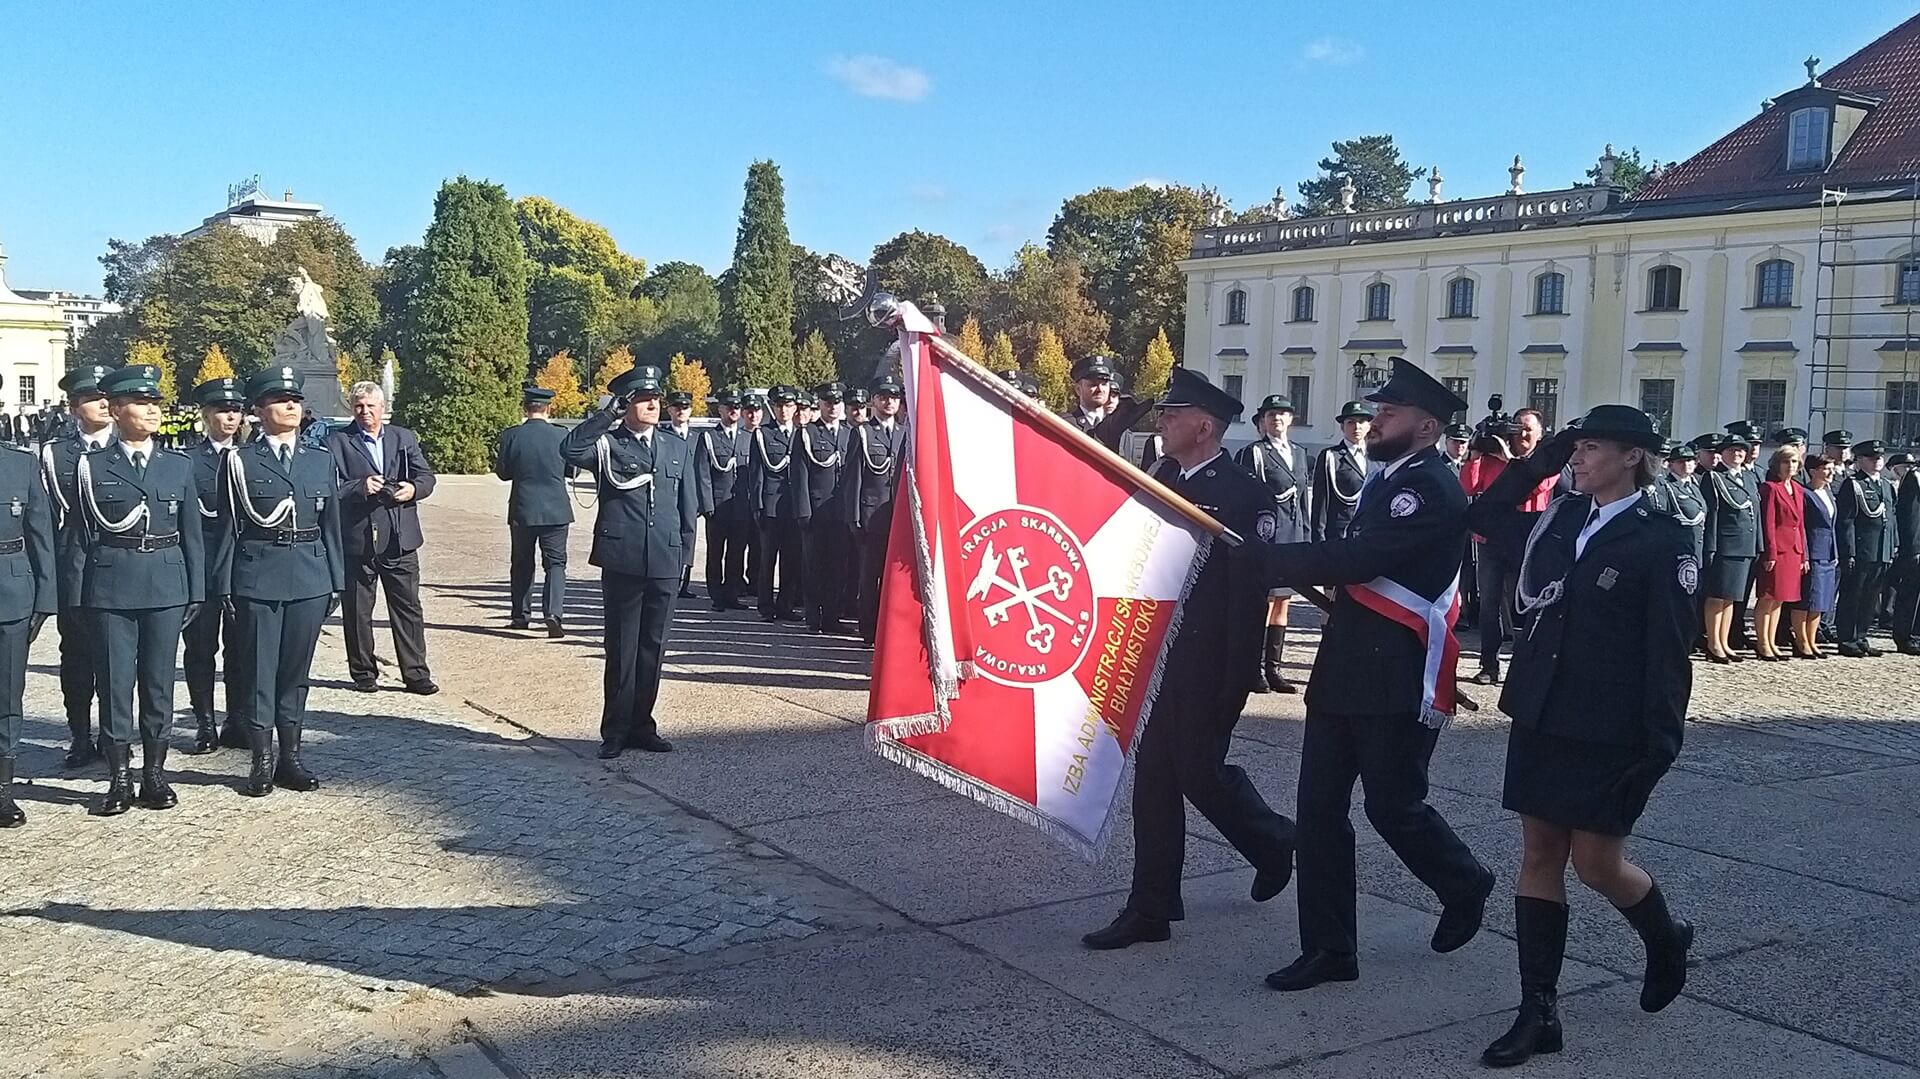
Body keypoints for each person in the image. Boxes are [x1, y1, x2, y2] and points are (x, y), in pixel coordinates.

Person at [1465, 405, 1695, 1067]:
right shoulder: (1563, 517)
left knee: (1596, 863)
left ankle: (1665, 937)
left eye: (1592, 447)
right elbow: (1483, 517)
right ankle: (1539, 1009)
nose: (1580, 457)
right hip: (1544, 710)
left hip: (1608, 726)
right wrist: (1540, 458)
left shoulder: (1662, 539)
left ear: (1632, 457)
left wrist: (1660, 744)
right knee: (1539, 850)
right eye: (1578, 446)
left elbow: (1668, 653)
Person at [1257, 357, 1494, 992]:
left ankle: (1464, 881)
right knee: (1318, 811)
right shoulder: (1392, 477)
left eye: (1389, 413)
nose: (1376, 419)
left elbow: (1363, 558)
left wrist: (1266, 561)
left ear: (1425, 426)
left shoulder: (1431, 485)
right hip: (1346, 667)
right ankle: (1331, 949)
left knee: (1393, 806)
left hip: (1394, 674)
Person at [1081, 368, 1296, 951]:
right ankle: (1151, 906)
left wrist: (1237, 675)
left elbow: (1246, 596)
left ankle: (1273, 839)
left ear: (1204, 426)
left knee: (1199, 773)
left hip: (1208, 662)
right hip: (1156, 659)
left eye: (1173, 414)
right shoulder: (1160, 476)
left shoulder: (1245, 496)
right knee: (1154, 779)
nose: (1163, 421)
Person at [77, 364, 206, 815]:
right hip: (112, 585)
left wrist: (196, 590)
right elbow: (79, 536)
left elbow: (193, 534)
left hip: (166, 583)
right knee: (115, 684)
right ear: (115, 410)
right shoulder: (91, 466)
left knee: (158, 684)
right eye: (140, 403)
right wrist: (76, 597)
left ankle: (155, 772)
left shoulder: (178, 464)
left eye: (155, 404)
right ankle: (119, 777)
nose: (151, 411)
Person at [560, 366, 700, 758]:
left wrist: (684, 556)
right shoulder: (609, 443)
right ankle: (616, 729)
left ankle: (642, 725)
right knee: (622, 648)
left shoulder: (676, 446)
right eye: (642, 398)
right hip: (623, 560)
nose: (654, 404)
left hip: (665, 560)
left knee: (653, 648)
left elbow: (686, 506)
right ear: (627, 404)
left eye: (655, 398)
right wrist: (607, 415)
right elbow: (569, 450)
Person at [218, 367, 345, 797]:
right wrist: (223, 585)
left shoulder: (320, 459)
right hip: (257, 576)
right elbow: (228, 530)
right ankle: (260, 759)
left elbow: (331, 525)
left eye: (294, 399)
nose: (290, 406)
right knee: (258, 671)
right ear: (258, 410)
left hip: (309, 574)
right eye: (279, 400)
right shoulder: (240, 461)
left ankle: (290, 757)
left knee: (296, 672)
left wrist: (337, 581)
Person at [327, 381, 437, 694]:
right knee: (358, 611)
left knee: (408, 609)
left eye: (371, 406)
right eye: (359, 407)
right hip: (359, 539)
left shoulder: (403, 438)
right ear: (352, 408)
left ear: (382, 407)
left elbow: (426, 477)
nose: (365, 412)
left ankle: (416, 674)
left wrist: (413, 489)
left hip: (399, 539)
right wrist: (359, 487)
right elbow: (328, 487)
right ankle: (363, 673)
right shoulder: (337, 442)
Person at [41, 365, 116, 769]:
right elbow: (48, 518)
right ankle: (78, 734)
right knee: (75, 658)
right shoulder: (55, 454)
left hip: (118, 567)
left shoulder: (129, 444)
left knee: (116, 658)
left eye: (106, 395)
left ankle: (113, 734)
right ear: (74, 407)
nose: (103, 403)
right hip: (74, 566)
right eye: (92, 397)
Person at [1463, 408, 1554, 685]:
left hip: (1528, 536)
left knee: (1526, 602)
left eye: (1528, 429)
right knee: (1488, 604)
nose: (1522, 434)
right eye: (1518, 428)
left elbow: (1538, 487)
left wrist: (1512, 461)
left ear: (1539, 433)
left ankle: (1526, 663)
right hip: (1493, 538)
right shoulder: (1493, 456)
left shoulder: (1545, 457)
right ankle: (1489, 665)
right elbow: (1468, 486)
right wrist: (1475, 455)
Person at [183, 377, 249, 754]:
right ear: (206, 414)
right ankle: (205, 722)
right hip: (203, 565)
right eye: (223, 410)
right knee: (200, 647)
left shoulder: (251, 457)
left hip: (240, 566)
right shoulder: (189, 461)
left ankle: (236, 718)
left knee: (239, 647)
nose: (230, 417)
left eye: (236, 410)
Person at [1234, 394, 1311, 694]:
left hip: (1290, 537)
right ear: (1263, 421)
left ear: (1291, 419)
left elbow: (1302, 499)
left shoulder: (1300, 453)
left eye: (1282, 414)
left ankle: (1274, 668)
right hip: (1266, 537)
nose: (1276, 419)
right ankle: (1252, 668)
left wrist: (1304, 539)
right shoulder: (1254, 452)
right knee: (1263, 604)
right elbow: (1244, 499)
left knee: (1283, 603)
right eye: (1270, 415)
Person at [0, 429, 55, 826]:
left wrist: (45, 598)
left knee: (6, 694)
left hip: (11, 589)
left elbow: (41, 534)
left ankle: (3, 791)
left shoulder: (22, 463)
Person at [494, 385, 573, 637]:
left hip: (523, 508)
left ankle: (520, 616)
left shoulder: (511, 436)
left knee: (521, 563)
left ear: (525, 408)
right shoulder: (562, 435)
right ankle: (553, 613)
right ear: (549, 408)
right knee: (556, 563)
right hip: (556, 509)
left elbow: (503, 473)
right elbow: (572, 470)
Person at [848, 377, 907, 647]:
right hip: (871, 518)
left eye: (894, 397)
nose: (889, 401)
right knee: (869, 577)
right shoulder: (862, 433)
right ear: (873, 401)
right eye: (883, 396)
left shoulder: (905, 432)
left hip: (898, 517)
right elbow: (853, 479)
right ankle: (869, 630)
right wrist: (854, 517)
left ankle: (891, 628)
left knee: (895, 579)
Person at [800, 382, 854, 634]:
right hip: (815, 510)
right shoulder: (808, 433)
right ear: (819, 405)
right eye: (827, 402)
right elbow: (799, 476)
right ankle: (813, 617)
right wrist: (803, 511)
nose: (833, 407)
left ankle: (832, 617)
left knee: (839, 567)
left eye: (837, 402)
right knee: (814, 566)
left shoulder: (850, 433)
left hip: (841, 513)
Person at [752, 386, 809, 623]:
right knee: (768, 559)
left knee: (791, 558)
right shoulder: (762, 434)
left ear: (795, 408)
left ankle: (785, 604)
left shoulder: (803, 434)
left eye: (788, 406)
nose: (784, 410)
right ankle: (765, 605)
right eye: (779, 406)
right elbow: (756, 475)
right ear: (773, 408)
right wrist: (758, 506)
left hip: (794, 506)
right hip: (772, 505)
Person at [1835, 440, 1896, 658]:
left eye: (1879, 457)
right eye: (1871, 457)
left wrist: (1892, 547)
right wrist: (1849, 552)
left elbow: (1891, 519)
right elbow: (1846, 522)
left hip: (1881, 550)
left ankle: (1861, 636)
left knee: (1871, 597)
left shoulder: (1886, 485)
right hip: (1861, 550)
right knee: (1853, 595)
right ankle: (1847, 638)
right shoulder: (1854, 485)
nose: (1877, 461)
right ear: (1860, 460)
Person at [1700, 435, 1758, 663]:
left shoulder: (1748, 478)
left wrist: (1758, 545)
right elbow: (1712, 515)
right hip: (1725, 545)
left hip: (1745, 545)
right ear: (1722, 454)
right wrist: (1711, 548)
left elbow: (1755, 515)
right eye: (1732, 451)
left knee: (1732, 598)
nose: (1737, 455)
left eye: (1741, 451)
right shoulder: (1714, 478)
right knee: (1717, 597)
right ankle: (1713, 643)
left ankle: (1724, 641)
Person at [698, 390, 752, 611]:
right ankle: (716, 595)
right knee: (715, 554)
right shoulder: (709, 438)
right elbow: (702, 474)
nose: (733, 410)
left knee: (737, 552)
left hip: (741, 506)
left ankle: (732, 593)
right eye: (728, 406)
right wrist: (707, 505)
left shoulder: (748, 438)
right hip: (718, 506)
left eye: (737, 407)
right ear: (720, 409)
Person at [1754, 447, 1808, 662]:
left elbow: (1801, 524)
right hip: (1777, 551)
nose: (1791, 466)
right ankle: (1762, 642)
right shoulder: (1770, 488)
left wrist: (1803, 555)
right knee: (1768, 597)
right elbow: (1768, 523)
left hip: (1793, 550)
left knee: (1780, 600)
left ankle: (1772, 640)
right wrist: (1771, 553)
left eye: (1794, 462)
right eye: (1787, 462)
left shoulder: (1797, 488)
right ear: (1777, 464)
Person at [1309, 401, 1374, 542]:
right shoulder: (1331, 457)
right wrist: (1319, 539)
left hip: (1370, 532)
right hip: (1341, 534)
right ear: (1342, 427)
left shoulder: (1377, 456)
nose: (1356, 427)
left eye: (1362, 422)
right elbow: (1321, 502)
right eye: (1351, 422)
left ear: (1369, 426)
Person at [1796, 456, 1840, 659]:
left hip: (1828, 552)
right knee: (1807, 599)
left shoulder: (1828, 493)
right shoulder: (1805, 494)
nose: (1830, 472)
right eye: (1826, 468)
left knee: (1820, 601)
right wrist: (1804, 553)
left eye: (1831, 468)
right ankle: (1801, 641)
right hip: (1812, 551)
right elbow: (1801, 527)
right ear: (1813, 471)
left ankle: (1812, 640)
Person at [664, 390, 700, 600]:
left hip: (691, 496)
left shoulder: (699, 438)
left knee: (689, 538)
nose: (681, 410)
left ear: (691, 410)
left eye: (685, 407)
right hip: (669, 494)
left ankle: (684, 582)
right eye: (677, 407)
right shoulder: (663, 436)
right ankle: (670, 579)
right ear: (669, 410)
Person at [1890, 452, 1920, 653]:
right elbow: (1909, 517)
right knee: (1910, 593)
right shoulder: (1915, 478)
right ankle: (1905, 636)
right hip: (1916, 547)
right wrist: (1913, 548)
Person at [739, 393, 766, 595]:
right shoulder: (739, 437)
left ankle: (755, 583)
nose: (753, 415)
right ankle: (736, 583)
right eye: (749, 411)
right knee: (739, 545)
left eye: (756, 411)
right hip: (740, 500)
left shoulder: (766, 436)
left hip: (761, 500)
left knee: (758, 547)